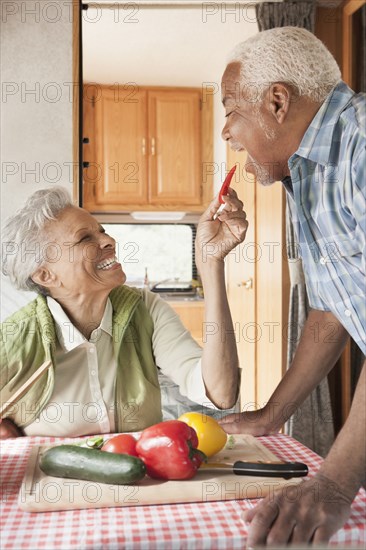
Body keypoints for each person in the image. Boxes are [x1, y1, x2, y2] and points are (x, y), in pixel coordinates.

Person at [219, 26, 365, 546]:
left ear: (277, 101)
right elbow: (332, 311)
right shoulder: (303, 175)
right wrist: (271, 416)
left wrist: (335, 483)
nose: (226, 132)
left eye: (230, 110)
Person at [0, 185, 247, 438]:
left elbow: (220, 393)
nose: (109, 241)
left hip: (141, 473)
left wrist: (211, 264)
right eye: (85, 238)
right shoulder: (15, 337)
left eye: (102, 231)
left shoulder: (145, 308)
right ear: (45, 275)